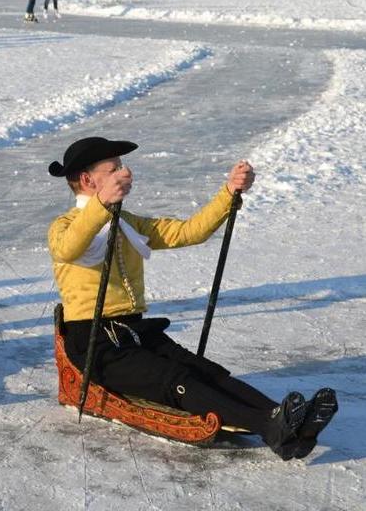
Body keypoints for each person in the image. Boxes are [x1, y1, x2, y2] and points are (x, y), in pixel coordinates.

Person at [47, 137, 338, 460]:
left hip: (135, 332)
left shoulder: (128, 224)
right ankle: (272, 428)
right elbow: (69, 248)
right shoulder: (65, 226)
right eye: (114, 168)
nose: (125, 172)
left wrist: (229, 193)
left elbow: (190, 232)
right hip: (95, 344)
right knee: (176, 379)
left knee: (203, 371)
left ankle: (287, 419)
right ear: (88, 180)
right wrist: (101, 205)